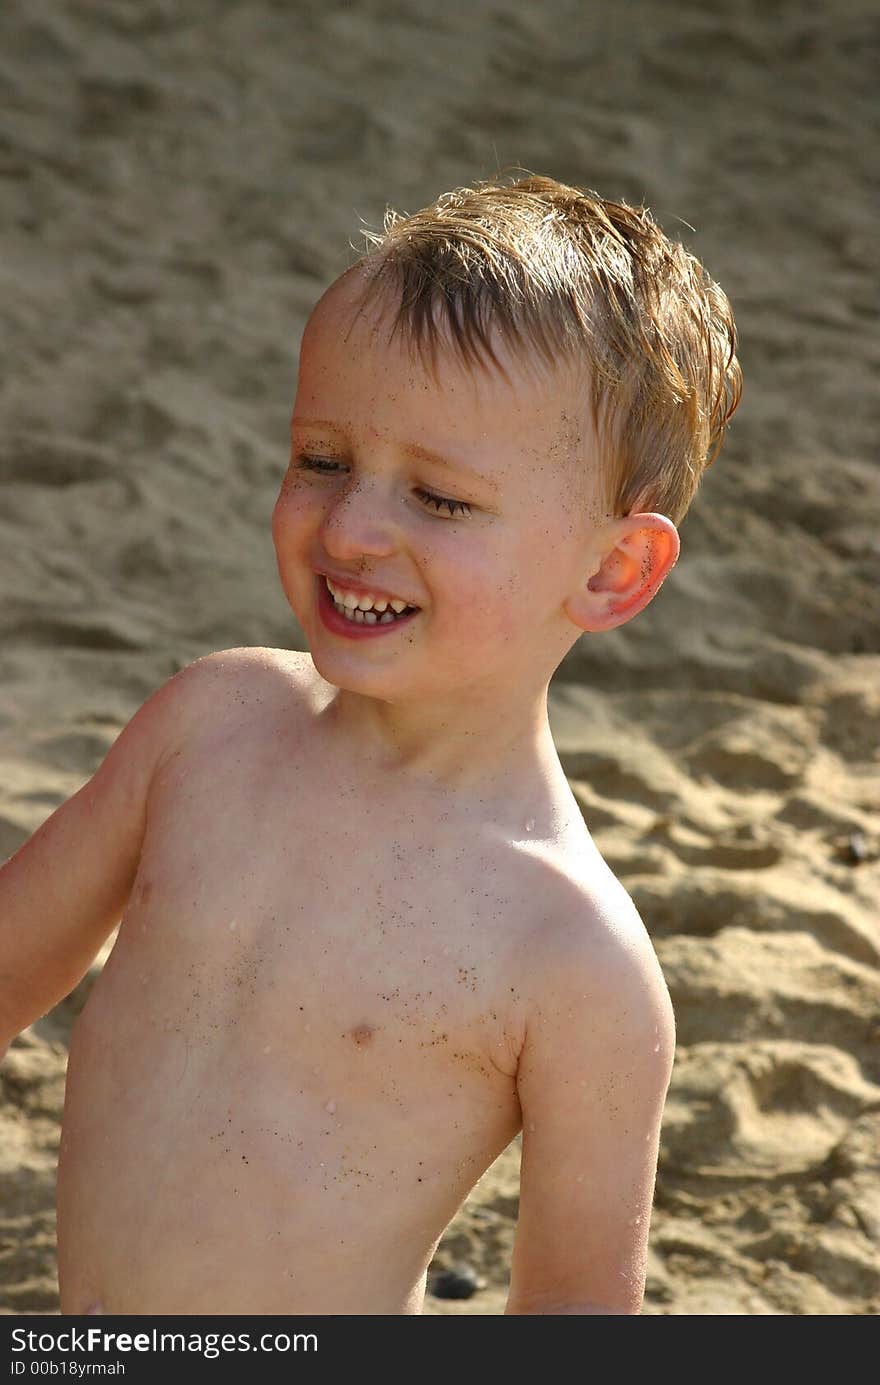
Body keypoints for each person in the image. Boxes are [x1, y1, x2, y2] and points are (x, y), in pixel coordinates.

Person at [0, 175, 741, 1315]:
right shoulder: (207, 726)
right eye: (323, 458)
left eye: (440, 499)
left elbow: (577, 1313)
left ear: (610, 571)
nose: (352, 529)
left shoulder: (572, 956)